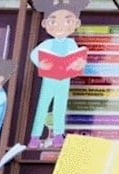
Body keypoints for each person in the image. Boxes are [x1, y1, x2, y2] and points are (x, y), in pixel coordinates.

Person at [29, 0, 90, 149]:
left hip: (64, 80)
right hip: (49, 79)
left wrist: (77, 64)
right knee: (42, 107)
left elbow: (77, 58)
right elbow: (34, 54)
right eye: (54, 21)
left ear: (76, 23)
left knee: (60, 108)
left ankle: (58, 135)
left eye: (67, 21)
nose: (61, 26)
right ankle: (35, 137)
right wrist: (41, 63)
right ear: (44, 23)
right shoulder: (47, 44)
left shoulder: (71, 43)